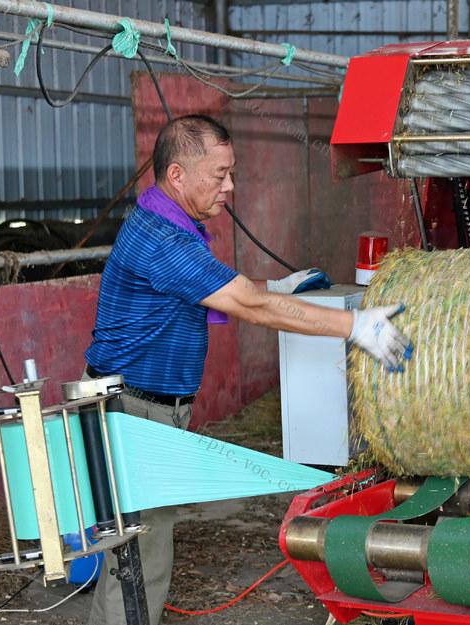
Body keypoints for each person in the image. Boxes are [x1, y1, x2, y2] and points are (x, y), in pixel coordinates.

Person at [84, 115, 413, 625]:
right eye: (219, 175)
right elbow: (245, 305)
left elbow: (223, 295)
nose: (230, 187)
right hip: (133, 411)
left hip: (143, 407)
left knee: (139, 549)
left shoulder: (170, 225)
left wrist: (275, 289)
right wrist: (353, 325)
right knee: (136, 557)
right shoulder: (161, 238)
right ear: (177, 175)